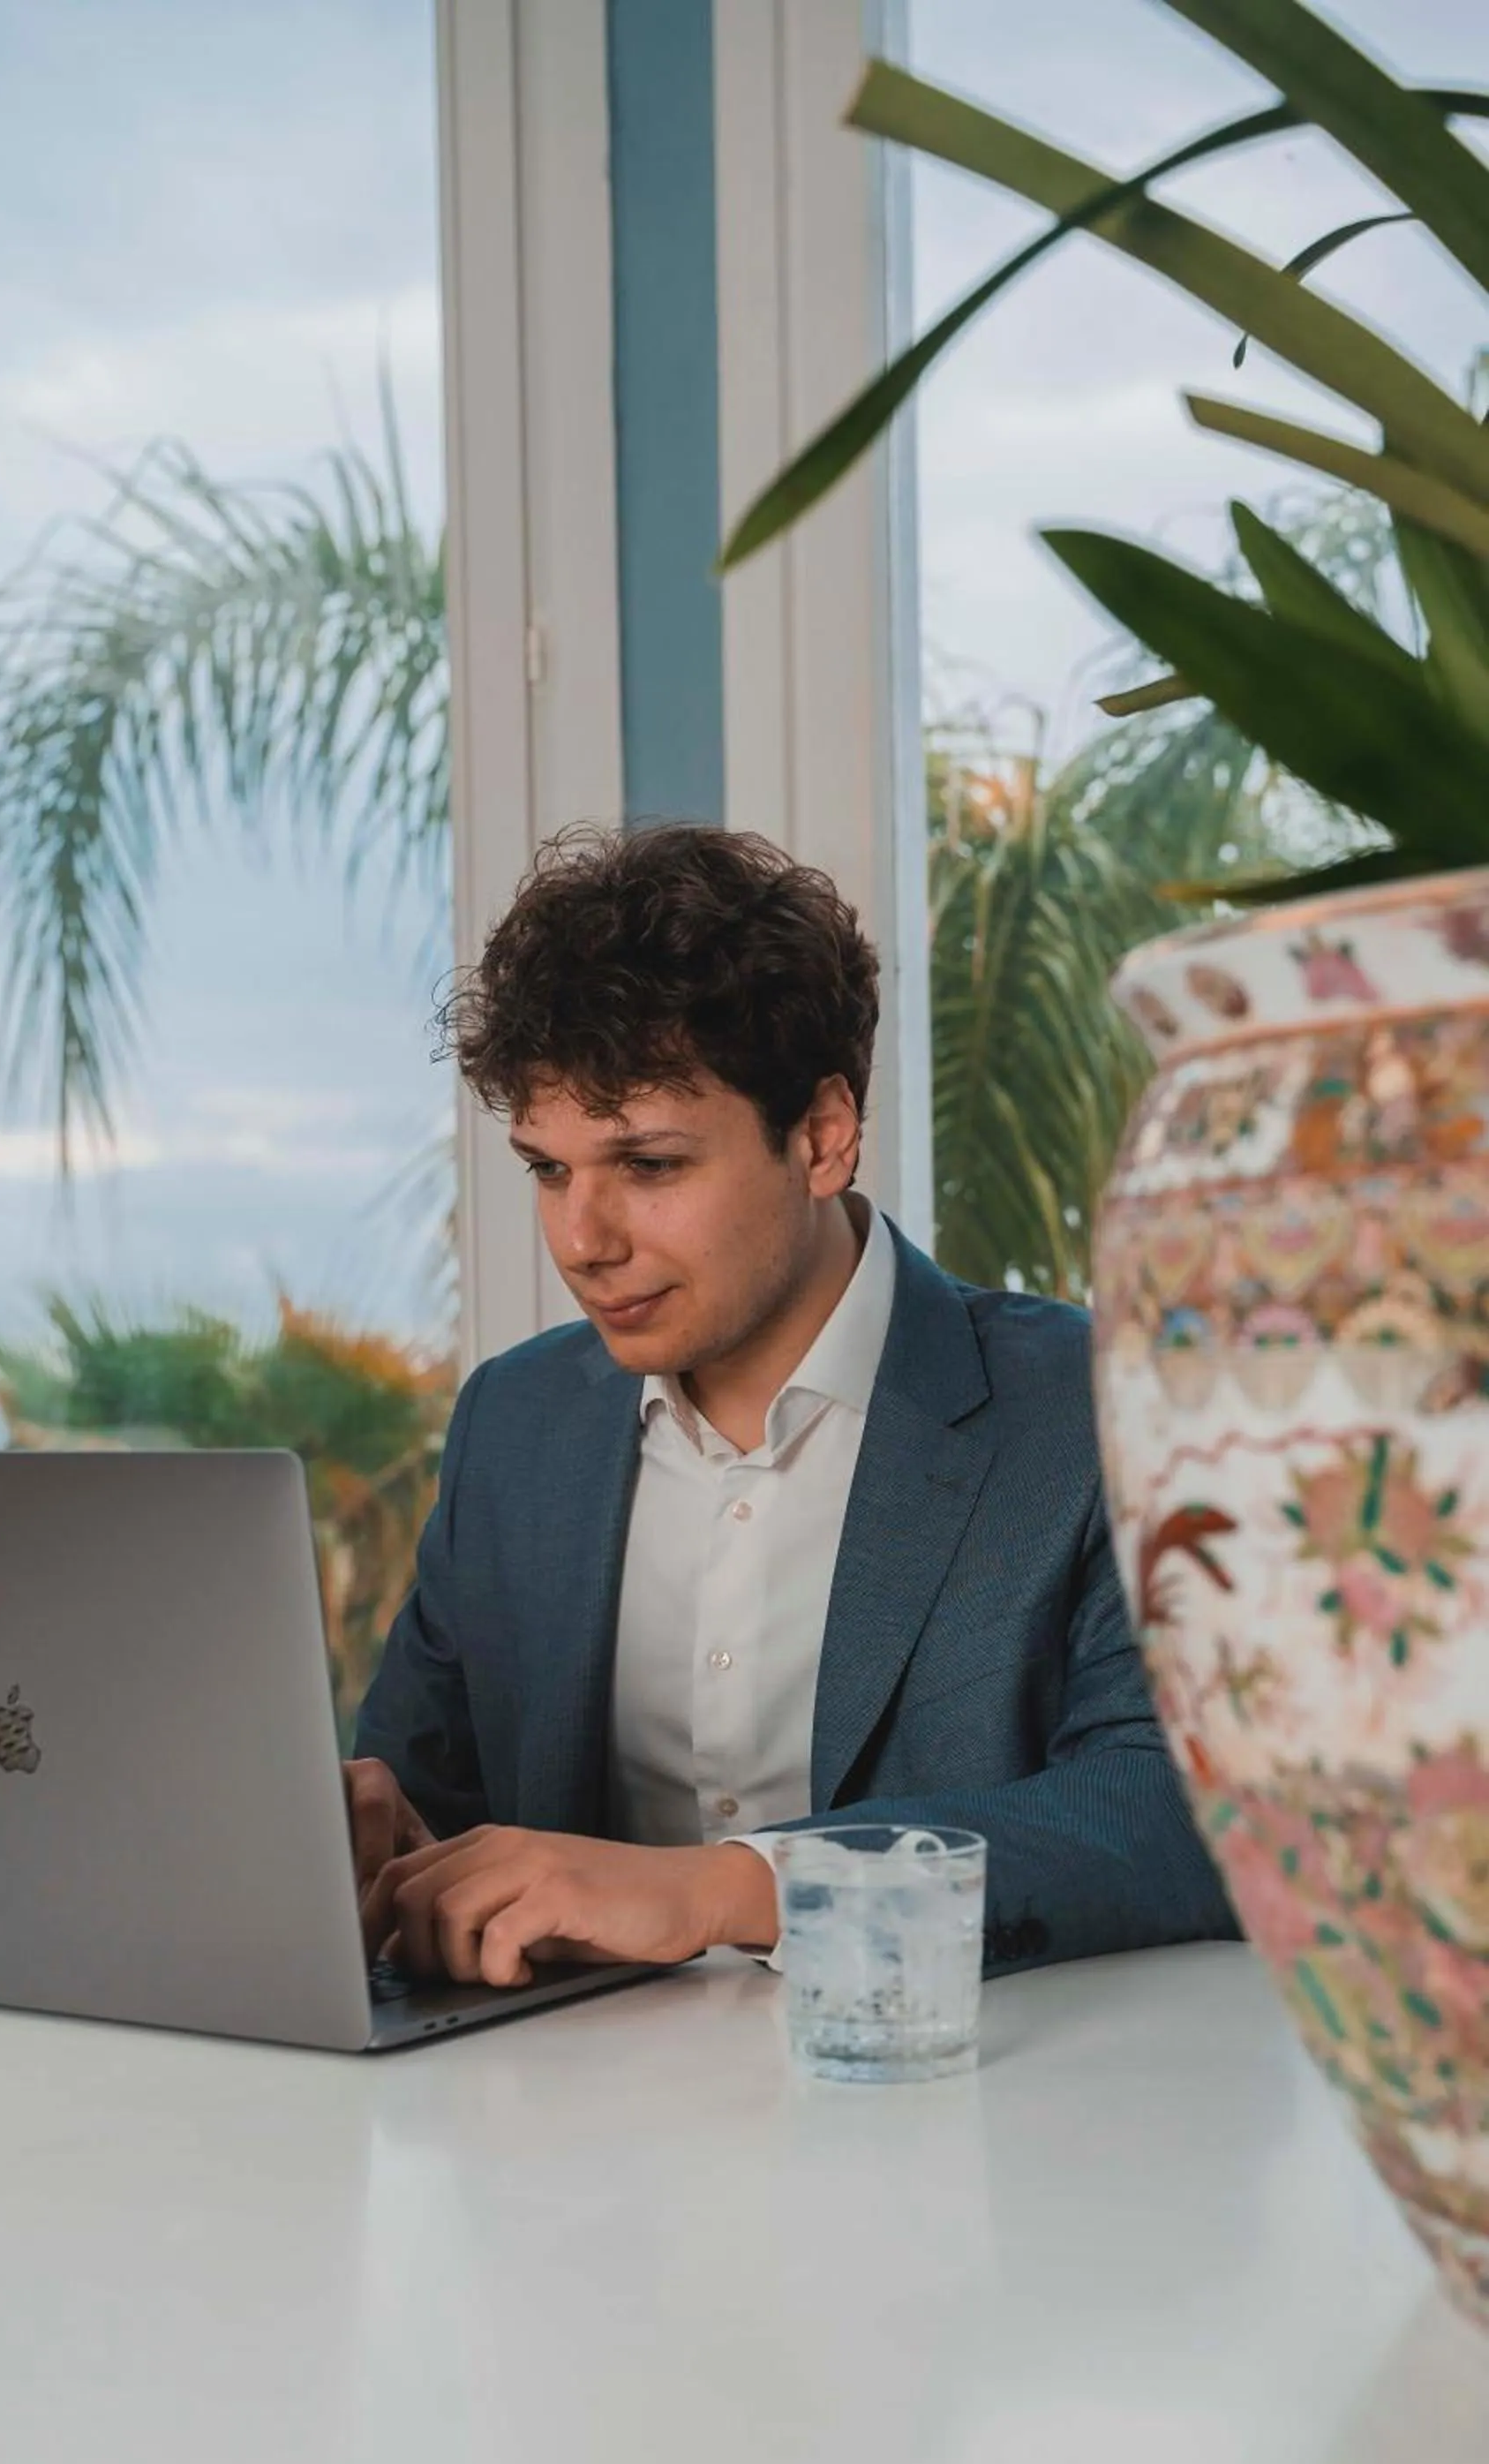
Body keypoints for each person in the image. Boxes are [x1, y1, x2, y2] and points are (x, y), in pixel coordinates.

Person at [349, 822, 1235, 1988]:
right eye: (549, 1169)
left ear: (822, 1137)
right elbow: (421, 1803)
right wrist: (349, 1834)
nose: (581, 1241)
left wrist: (728, 1888)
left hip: (975, 2118)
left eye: (650, 1165)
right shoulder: (516, 1428)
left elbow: (1174, 1815)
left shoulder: (1094, 1414)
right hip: (564, 2129)